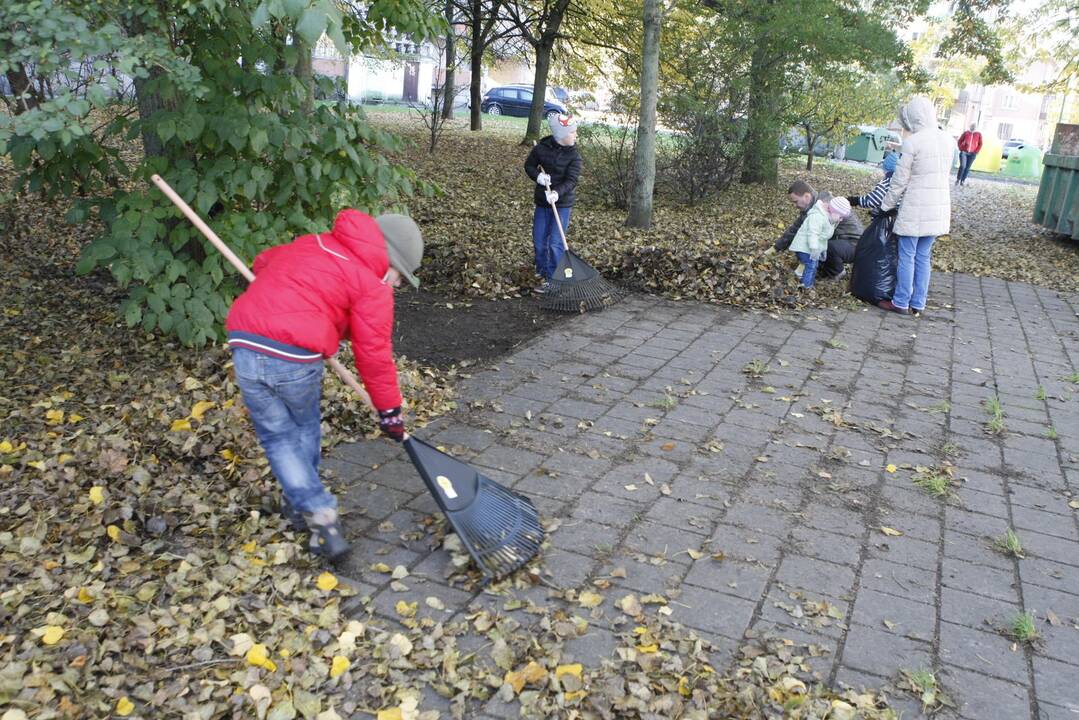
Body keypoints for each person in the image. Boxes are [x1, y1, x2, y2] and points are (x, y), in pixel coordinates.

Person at [225, 210, 424, 561]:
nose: (397, 285)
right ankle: (321, 515)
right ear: (388, 259)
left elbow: (263, 262)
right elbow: (374, 354)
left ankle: (297, 499)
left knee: (277, 436)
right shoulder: (372, 285)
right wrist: (389, 409)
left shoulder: (313, 243)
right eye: (400, 277)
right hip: (294, 357)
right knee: (300, 430)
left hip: (245, 344)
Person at [879, 95, 954, 316]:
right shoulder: (948, 139)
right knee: (924, 256)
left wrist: (885, 206)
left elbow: (899, 180)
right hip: (939, 208)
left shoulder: (913, 142)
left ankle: (901, 301)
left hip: (916, 207)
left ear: (913, 117)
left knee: (907, 255)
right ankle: (918, 303)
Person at [524, 114, 582, 293]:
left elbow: (571, 180)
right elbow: (529, 166)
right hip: (543, 203)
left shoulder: (574, 156)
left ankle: (555, 279)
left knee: (555, 243)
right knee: (539, 241)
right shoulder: (541, 148)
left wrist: (557, 193)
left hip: (562, 204)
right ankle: (542, 272)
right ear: (561, 135)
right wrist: (538, 177)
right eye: (572, 132)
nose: (575, 135)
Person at [768, 181, 861, 280]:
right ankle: (825, 268)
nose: (795, 205)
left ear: (807, 196)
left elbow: (816, 237)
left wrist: (803, 265)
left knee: (823, 247)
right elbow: (795, 229)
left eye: (796, 201)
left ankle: (837, 272)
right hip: (841, 241)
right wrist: (775, 248)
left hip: (854, 244)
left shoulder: (825, 207)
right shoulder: (813, 208)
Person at [785, 195, 852, 290]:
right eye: (840, 217)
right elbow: (813, 233)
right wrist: (814, 248)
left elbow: (823, 238)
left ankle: (803, 279)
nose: (840, 220)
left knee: (813, 265)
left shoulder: (829, 219)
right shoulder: (818, 217)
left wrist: (822, 250)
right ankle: (806, 285)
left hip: (811, 248)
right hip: (804, 247)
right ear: (833, 212)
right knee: (810, 265)